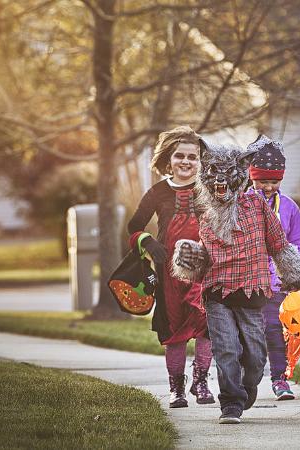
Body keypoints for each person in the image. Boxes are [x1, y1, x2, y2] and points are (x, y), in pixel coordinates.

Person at [171, 140, 300, 424]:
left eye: (226, 175)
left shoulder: (257, 205)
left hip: (253, 291)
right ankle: (230, 404)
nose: (220, 182)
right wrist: (190, 258)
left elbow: (279, 244)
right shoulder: (206, 214)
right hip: (218, 293)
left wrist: (293, 276)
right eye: (214, 175)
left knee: (256, 357)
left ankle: (246, 388)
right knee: (226, 349)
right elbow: (205, 258)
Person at [126, 126, 214, 408]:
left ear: (201, 161)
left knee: (206, 327)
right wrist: (148, 242)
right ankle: (176, 388)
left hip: (205, 270)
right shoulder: (157, 192)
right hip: (169, 274)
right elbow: (133, 226)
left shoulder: (209, 188)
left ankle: (201, 382)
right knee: (173, 331)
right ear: (169, 159)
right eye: (180, 156)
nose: (186, 162)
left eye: (193, 157)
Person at [245, 134, 300, 400]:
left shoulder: (290, 207)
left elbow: (297, 243)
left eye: (274, 181)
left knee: (275, 331)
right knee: (249, 336)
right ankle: (246, 381)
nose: (268, 187)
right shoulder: (241, 203)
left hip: (276, 284)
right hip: (247, 282)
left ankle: (280, 379)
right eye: (263, 181)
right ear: (252, 177)